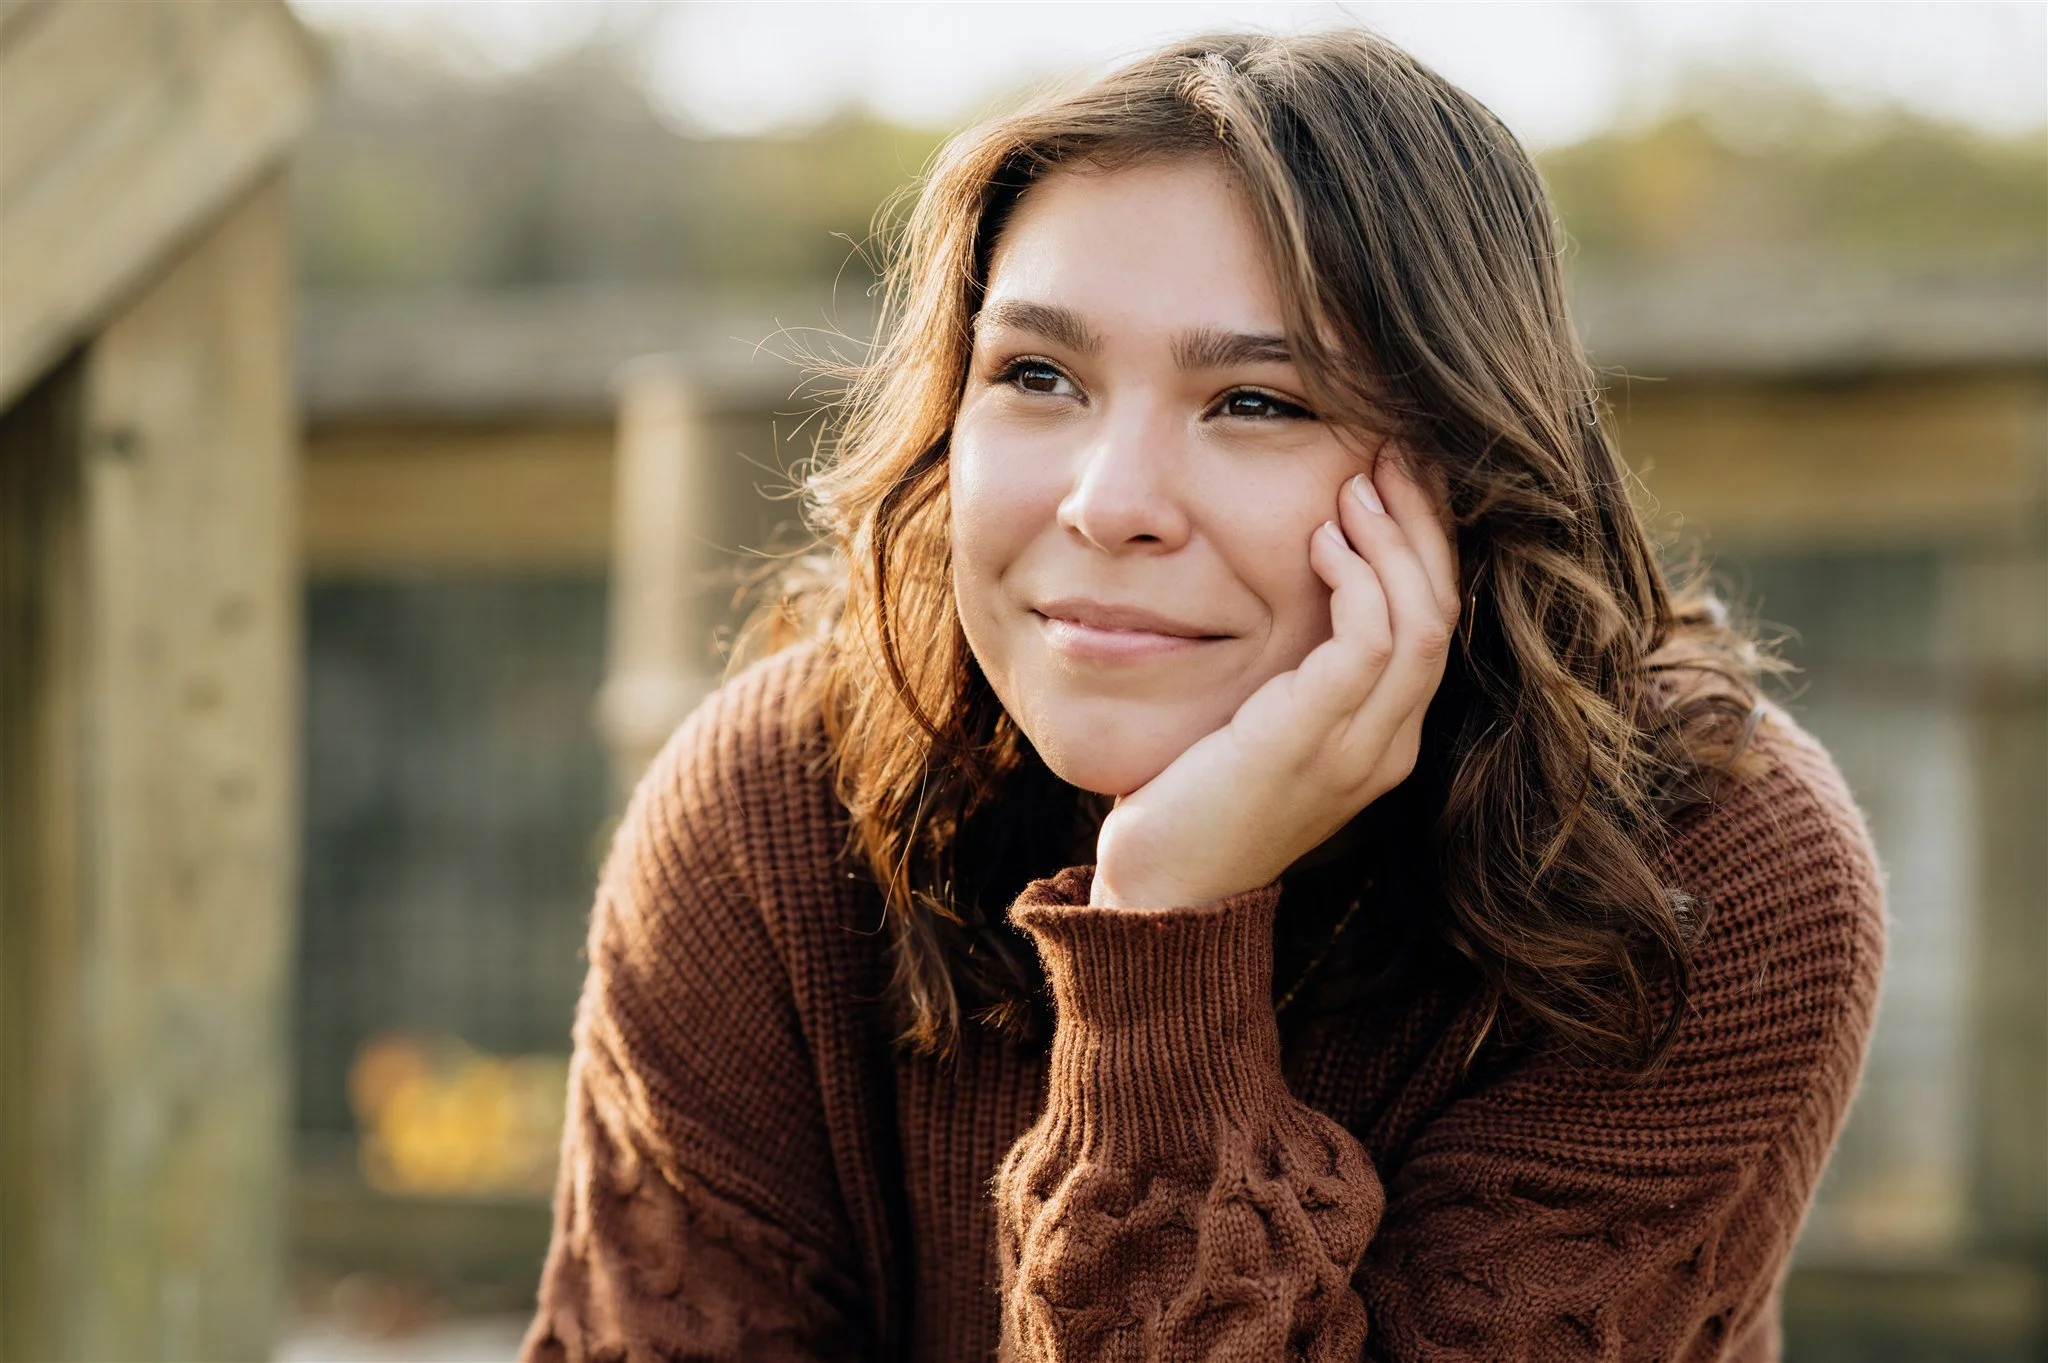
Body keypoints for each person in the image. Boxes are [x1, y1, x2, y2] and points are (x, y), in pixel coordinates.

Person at [521, 28, 1884, 1363]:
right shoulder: (773, 812)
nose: (1108, 503)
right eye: (1037, 376)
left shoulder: (1709, 878)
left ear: (1464, 469)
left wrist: (1167, 937)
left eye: (1255, 401)